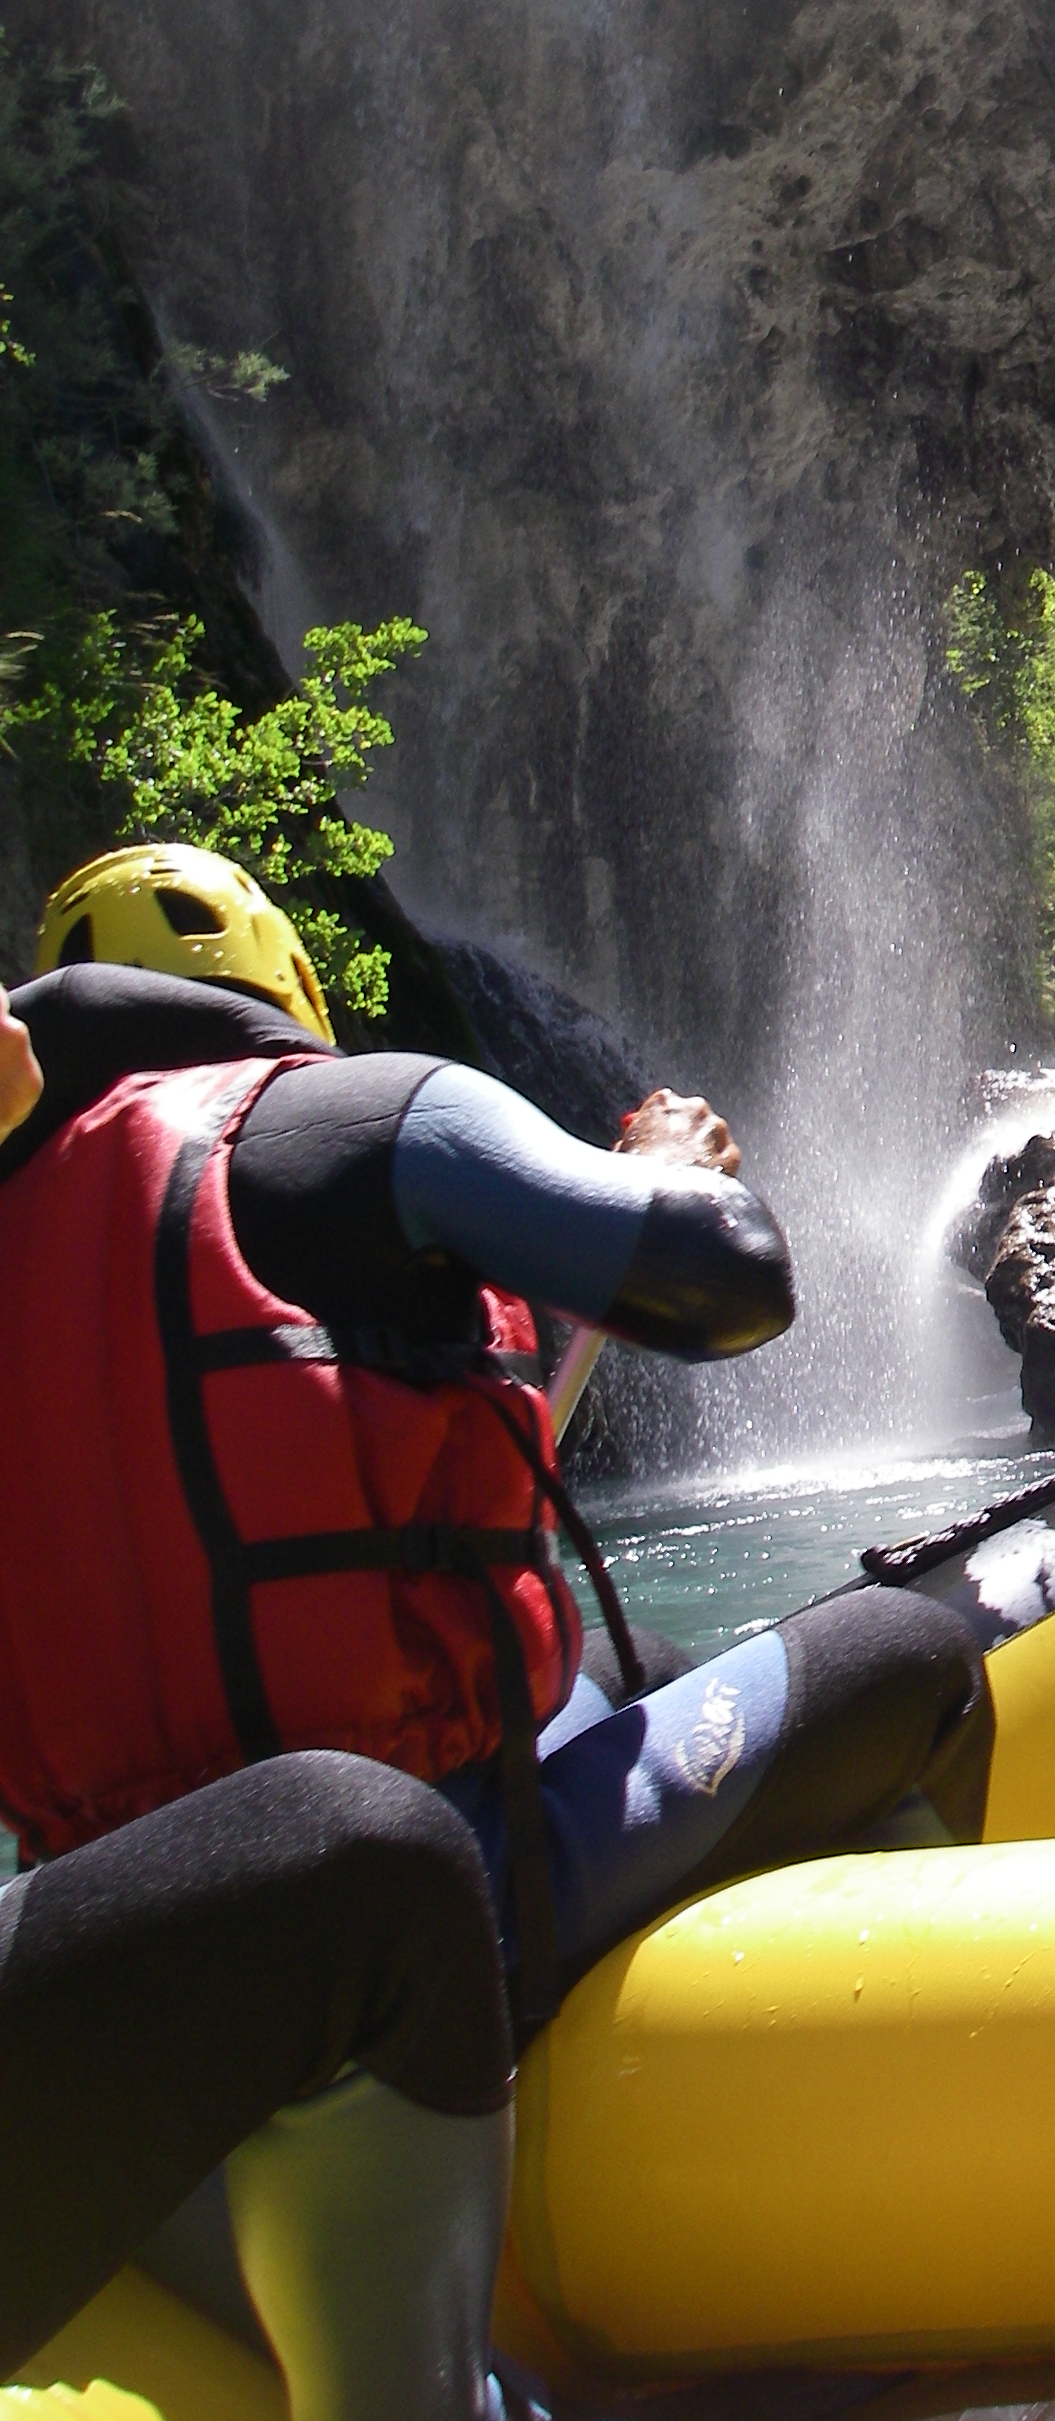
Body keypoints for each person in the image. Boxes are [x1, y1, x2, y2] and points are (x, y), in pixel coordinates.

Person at [0, 848, 993, 2050]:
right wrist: (664, 1177)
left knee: (639, 1663)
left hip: (94, 1935)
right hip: (407, 1905)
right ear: (291, 988)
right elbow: (730, 1278)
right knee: (913, 1652)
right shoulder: (361, 1120)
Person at [0, 979, 521, 2421]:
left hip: (127, 1903)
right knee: (364, 1856)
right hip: (364, 1884)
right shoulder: (316, 1145)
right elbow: (723, 1274)